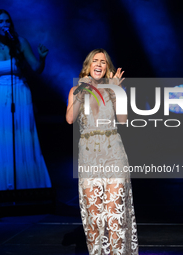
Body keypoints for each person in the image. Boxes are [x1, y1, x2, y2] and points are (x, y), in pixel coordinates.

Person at [66, 49, 138, 254]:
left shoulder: (113, 89)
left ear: (107, 68)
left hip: (113, 152)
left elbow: (123, 120)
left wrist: (116, 92)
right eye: (95, 61)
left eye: (103, 62)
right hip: (89, 155)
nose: (99, 64)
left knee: (115, 215)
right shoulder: (76, 90)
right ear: (88, 65)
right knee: (95, 217)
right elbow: (70, 119)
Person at [0, 9, 51, 191]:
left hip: (19, 93)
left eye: (7, 22)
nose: (5, 25)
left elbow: (36, 68)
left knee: (21, 138)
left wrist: (42, 59)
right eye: (1, 22)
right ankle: (4, 187)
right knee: (0, 139)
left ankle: (27, 187)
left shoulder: (20, 43)